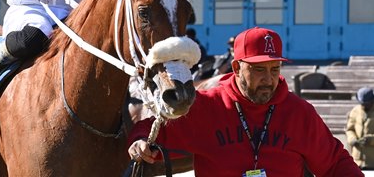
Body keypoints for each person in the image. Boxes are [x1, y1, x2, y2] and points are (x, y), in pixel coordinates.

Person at [128, 27, 363, 176]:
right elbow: (150, 130)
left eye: (275, 69)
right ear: (237, 68)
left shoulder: (299, 113)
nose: (269, 79)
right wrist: (139, 142)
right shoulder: (206, 107)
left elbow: (335, 164)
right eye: (259, 69)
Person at [346, 86, 374, 169]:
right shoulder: (355, 111)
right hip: (357, 160)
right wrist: (352, 139)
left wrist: (371, 140)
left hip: (372, 161)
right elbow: (350, 129)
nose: (365, 106)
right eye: (363, 103)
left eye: (367, 103)